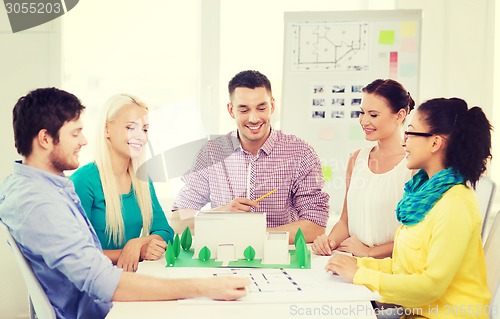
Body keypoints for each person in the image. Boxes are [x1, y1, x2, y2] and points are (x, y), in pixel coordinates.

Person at [0, 88, 249, 319]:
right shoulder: (40, 203)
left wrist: (140, 244)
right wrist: (203, 287)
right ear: (45, 139)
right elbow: (102, 281)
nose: (84, 141)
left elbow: (160, 232)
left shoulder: (40, 186)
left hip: (104, 303)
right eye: (75, 133)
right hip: (98, 310)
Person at [326, 98, 492, 318]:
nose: (404, 142)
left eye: (411, 133)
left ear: (434, 143)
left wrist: (359, 274)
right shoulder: (422, 195)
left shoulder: (456, 204)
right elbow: (406, 269)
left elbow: (430, 286)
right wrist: (358, 264)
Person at [171, 70, 329, 243]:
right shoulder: (211, 153)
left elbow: (315, 226)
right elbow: (177, 221)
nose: (253, 118)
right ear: (231, 110)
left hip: (280, 258)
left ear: (272, 106)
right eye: (244, 110)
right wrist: (221, 213)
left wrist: (256, 235)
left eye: (261, 108)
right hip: (224, 255)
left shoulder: (301, 153)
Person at [70, 94, 174, 272]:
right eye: (130, 127)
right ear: (107, 130)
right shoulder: (83, 181)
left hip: (127, 278)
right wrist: (134, 251)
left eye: (145, 129)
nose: (140, 136)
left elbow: (165, 232)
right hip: (94, 283)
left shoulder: (142, 179)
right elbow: (76, 254)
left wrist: (138, 243)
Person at [312, 79, 414, 258]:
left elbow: (415, 236)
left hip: (392, 269)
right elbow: (346, 220)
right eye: (362, 113)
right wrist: (330, 242)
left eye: (373, 115)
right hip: (354, 264)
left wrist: (370, 252)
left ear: (399, 115)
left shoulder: (413, 166)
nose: (364, 121)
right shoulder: (357, 159)